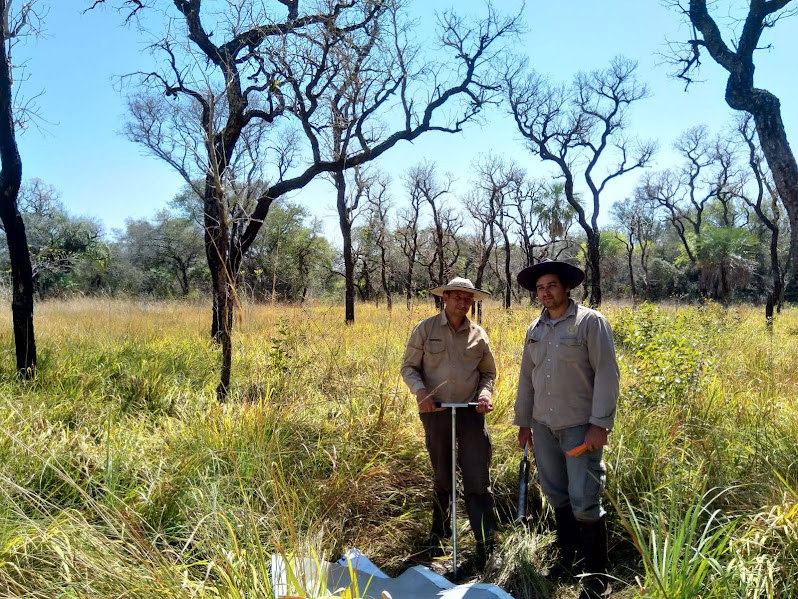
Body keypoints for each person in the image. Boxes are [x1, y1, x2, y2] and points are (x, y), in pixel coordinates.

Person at [514, 260, 619, 599]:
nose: (545, 293)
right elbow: (526, 378)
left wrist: (600, 425)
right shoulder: (535, 328)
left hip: (580, 428)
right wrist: (524, 422)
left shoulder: (590, 322)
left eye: (552, 286)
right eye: (540, 288)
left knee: (584, 498)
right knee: (557, 494)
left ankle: (598, 577)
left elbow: (607, 374)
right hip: (543, 426)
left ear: (566, 288)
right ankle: (568, 561)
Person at [401, 277, 499, 570]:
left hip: (470, 412)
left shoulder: (479, 335)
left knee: (478, 477)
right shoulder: (425, 329)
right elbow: (409, 367)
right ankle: (439, 537)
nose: (463, 303)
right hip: (436, 411)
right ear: (445, 298)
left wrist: (484, 394)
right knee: (442, 476)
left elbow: (488, 373)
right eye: (457, 297)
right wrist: (421, 393)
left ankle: (486, 543)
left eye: (468, 299)